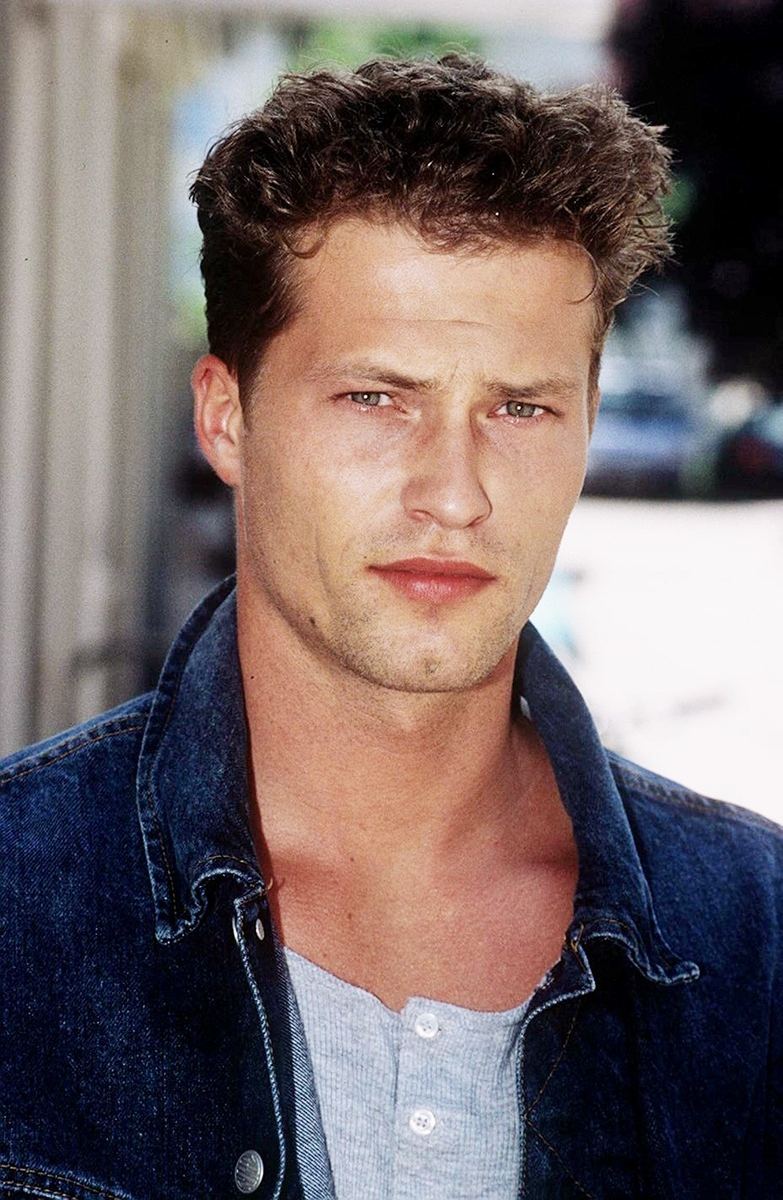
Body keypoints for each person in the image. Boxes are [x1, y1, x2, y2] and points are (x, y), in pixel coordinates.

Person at [0, 55, 780, 1200]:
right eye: (377, 399)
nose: (455, 495)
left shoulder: (759, 940)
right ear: (226, 418)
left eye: (521, 407)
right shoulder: (18, 899)